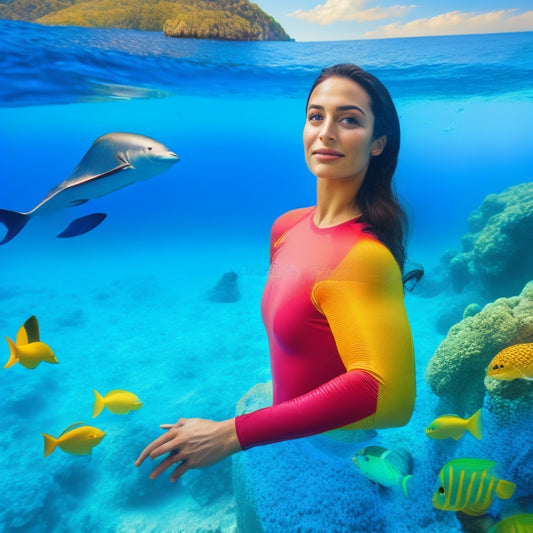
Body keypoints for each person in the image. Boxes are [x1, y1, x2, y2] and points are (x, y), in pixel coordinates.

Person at [135, 63, 417, 482]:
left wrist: (232, 433)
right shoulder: (286, 227)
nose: (327, 132)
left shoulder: (364, 256)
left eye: (349, 120)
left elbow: (391, 399)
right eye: (316, 116)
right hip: (284, 432)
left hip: (340, 454)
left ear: (378, 143)